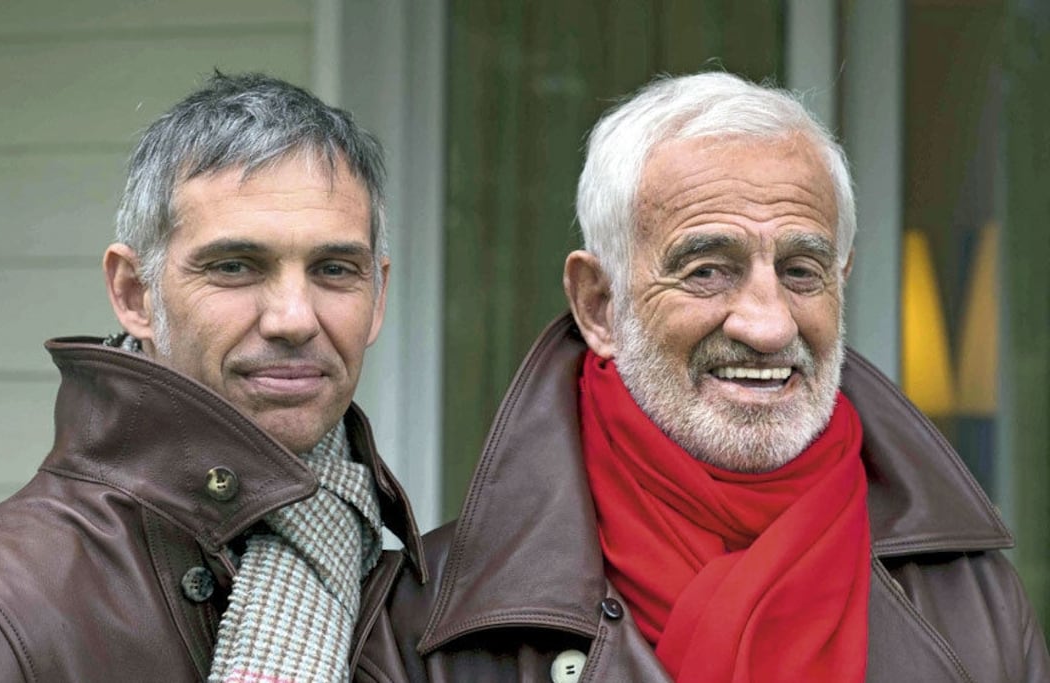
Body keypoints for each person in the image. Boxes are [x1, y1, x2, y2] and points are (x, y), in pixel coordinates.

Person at [361, 72, 1050, 682]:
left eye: (800, 271)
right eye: (706, 270)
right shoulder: (429, 623)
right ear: (599, 304)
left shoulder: (976, 603)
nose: (768, 322)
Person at [0, 72, 426, 683]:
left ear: (378, 297)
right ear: (134, 294)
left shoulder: (412, 591)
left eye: (335, 269)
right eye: (234, 266)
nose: (293, 319)